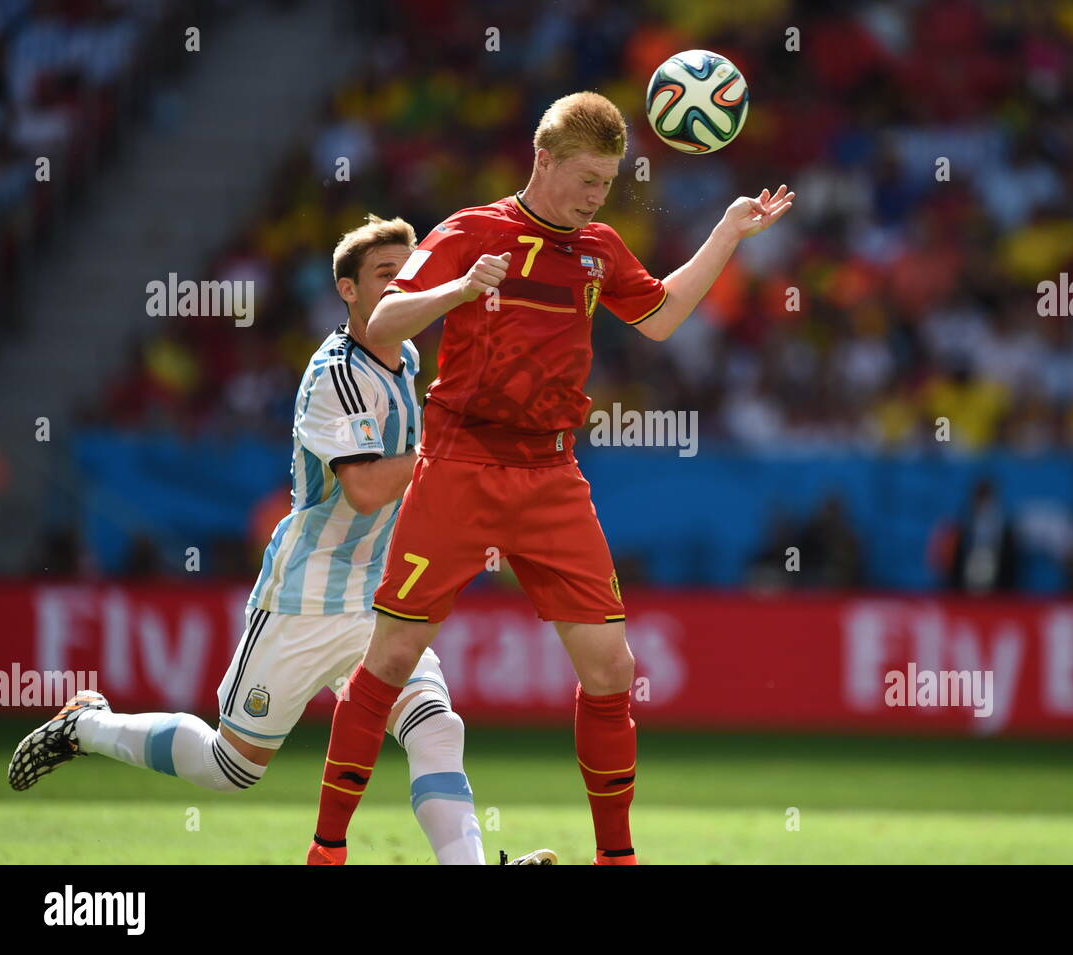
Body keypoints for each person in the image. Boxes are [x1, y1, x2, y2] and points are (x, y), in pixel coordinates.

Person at [308, 91, 793, 865]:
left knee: (612, 668)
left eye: (608, 182)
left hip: (551, 473)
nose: (598, 196)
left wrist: (728, 231)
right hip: (461, 465)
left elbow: (663, 317)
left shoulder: (598, 248)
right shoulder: (472, 231)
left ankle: (616, 857)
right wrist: (460, 290)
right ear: (545, 160)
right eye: (588, 179)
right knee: (392, 659)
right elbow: (382, 323)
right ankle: (327, 850)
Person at [8, 215, 552, 865]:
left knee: (436, 725)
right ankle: (88, 725)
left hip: (378, 597)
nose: (405, 284)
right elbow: (369, 488)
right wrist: (455, 450)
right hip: (305, 600)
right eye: (386, 275)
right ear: (348, 291)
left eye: (413, 271)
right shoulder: (336, 375)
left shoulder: (405, 358)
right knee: (230, 764)